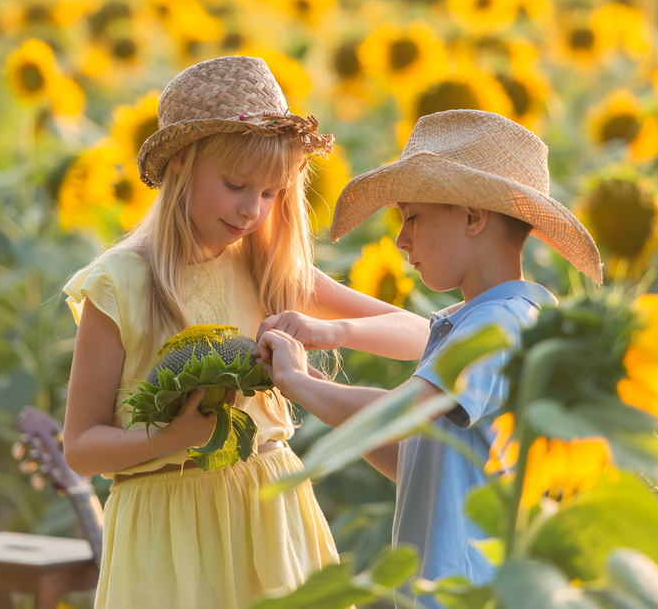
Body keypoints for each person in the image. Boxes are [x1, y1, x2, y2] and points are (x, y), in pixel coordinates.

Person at [61, 55, 430, 609]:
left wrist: (330, 331)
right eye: (236, 185)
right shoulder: (120, 284)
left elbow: (423, 335)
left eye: (272, 193)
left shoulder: (266, 268)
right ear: (181, 166)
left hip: (267, 508)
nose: (252, 210)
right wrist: (171, 440)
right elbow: (81, 446)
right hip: (165, 535)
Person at [257, 109, 603, 601]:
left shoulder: (499, 324)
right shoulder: (494, 316)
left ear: (473, 216)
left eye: (413, 218)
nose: (400, 241)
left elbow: (402, 414)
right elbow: (417, 460)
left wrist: (300, 384)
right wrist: (318, 386)